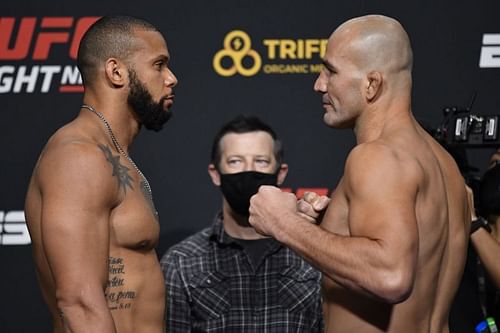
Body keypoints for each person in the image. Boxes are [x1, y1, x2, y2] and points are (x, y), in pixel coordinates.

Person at [248, 14, 470, 332]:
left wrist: (284, 224)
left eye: (331, 71)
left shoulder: (376, 156)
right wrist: (327, 227)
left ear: (371, 84)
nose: (319, 84)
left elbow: (391, 276)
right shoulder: (444, 164)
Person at [24, 15, 177, 332]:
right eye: (159, 65)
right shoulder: (79, 156)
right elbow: (78, 302)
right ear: (116, 72)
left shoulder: (112, 156)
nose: (172, 78)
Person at [160, 115, 323, 332]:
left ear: (281, 173)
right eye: (235, 161)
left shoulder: (314, 254)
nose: (248, 171)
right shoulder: (181, 262)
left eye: (261, 161)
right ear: (216, 174)